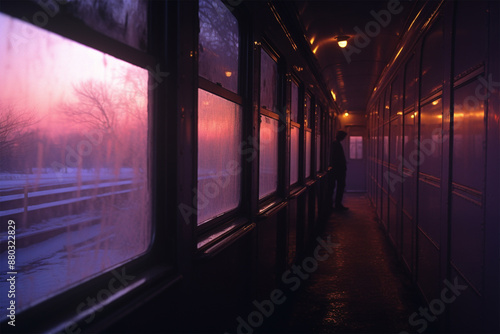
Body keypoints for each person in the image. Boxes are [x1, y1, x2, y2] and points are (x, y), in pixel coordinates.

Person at [330, 130, 348, 211]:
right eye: (343, 136)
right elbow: (337, 158)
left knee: (336, 186)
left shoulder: (335, 143)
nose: (343, 138)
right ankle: (337, 204)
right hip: (338, 170)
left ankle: (336, 204)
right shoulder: (336, 144)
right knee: (340, 186)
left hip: (336, 169)